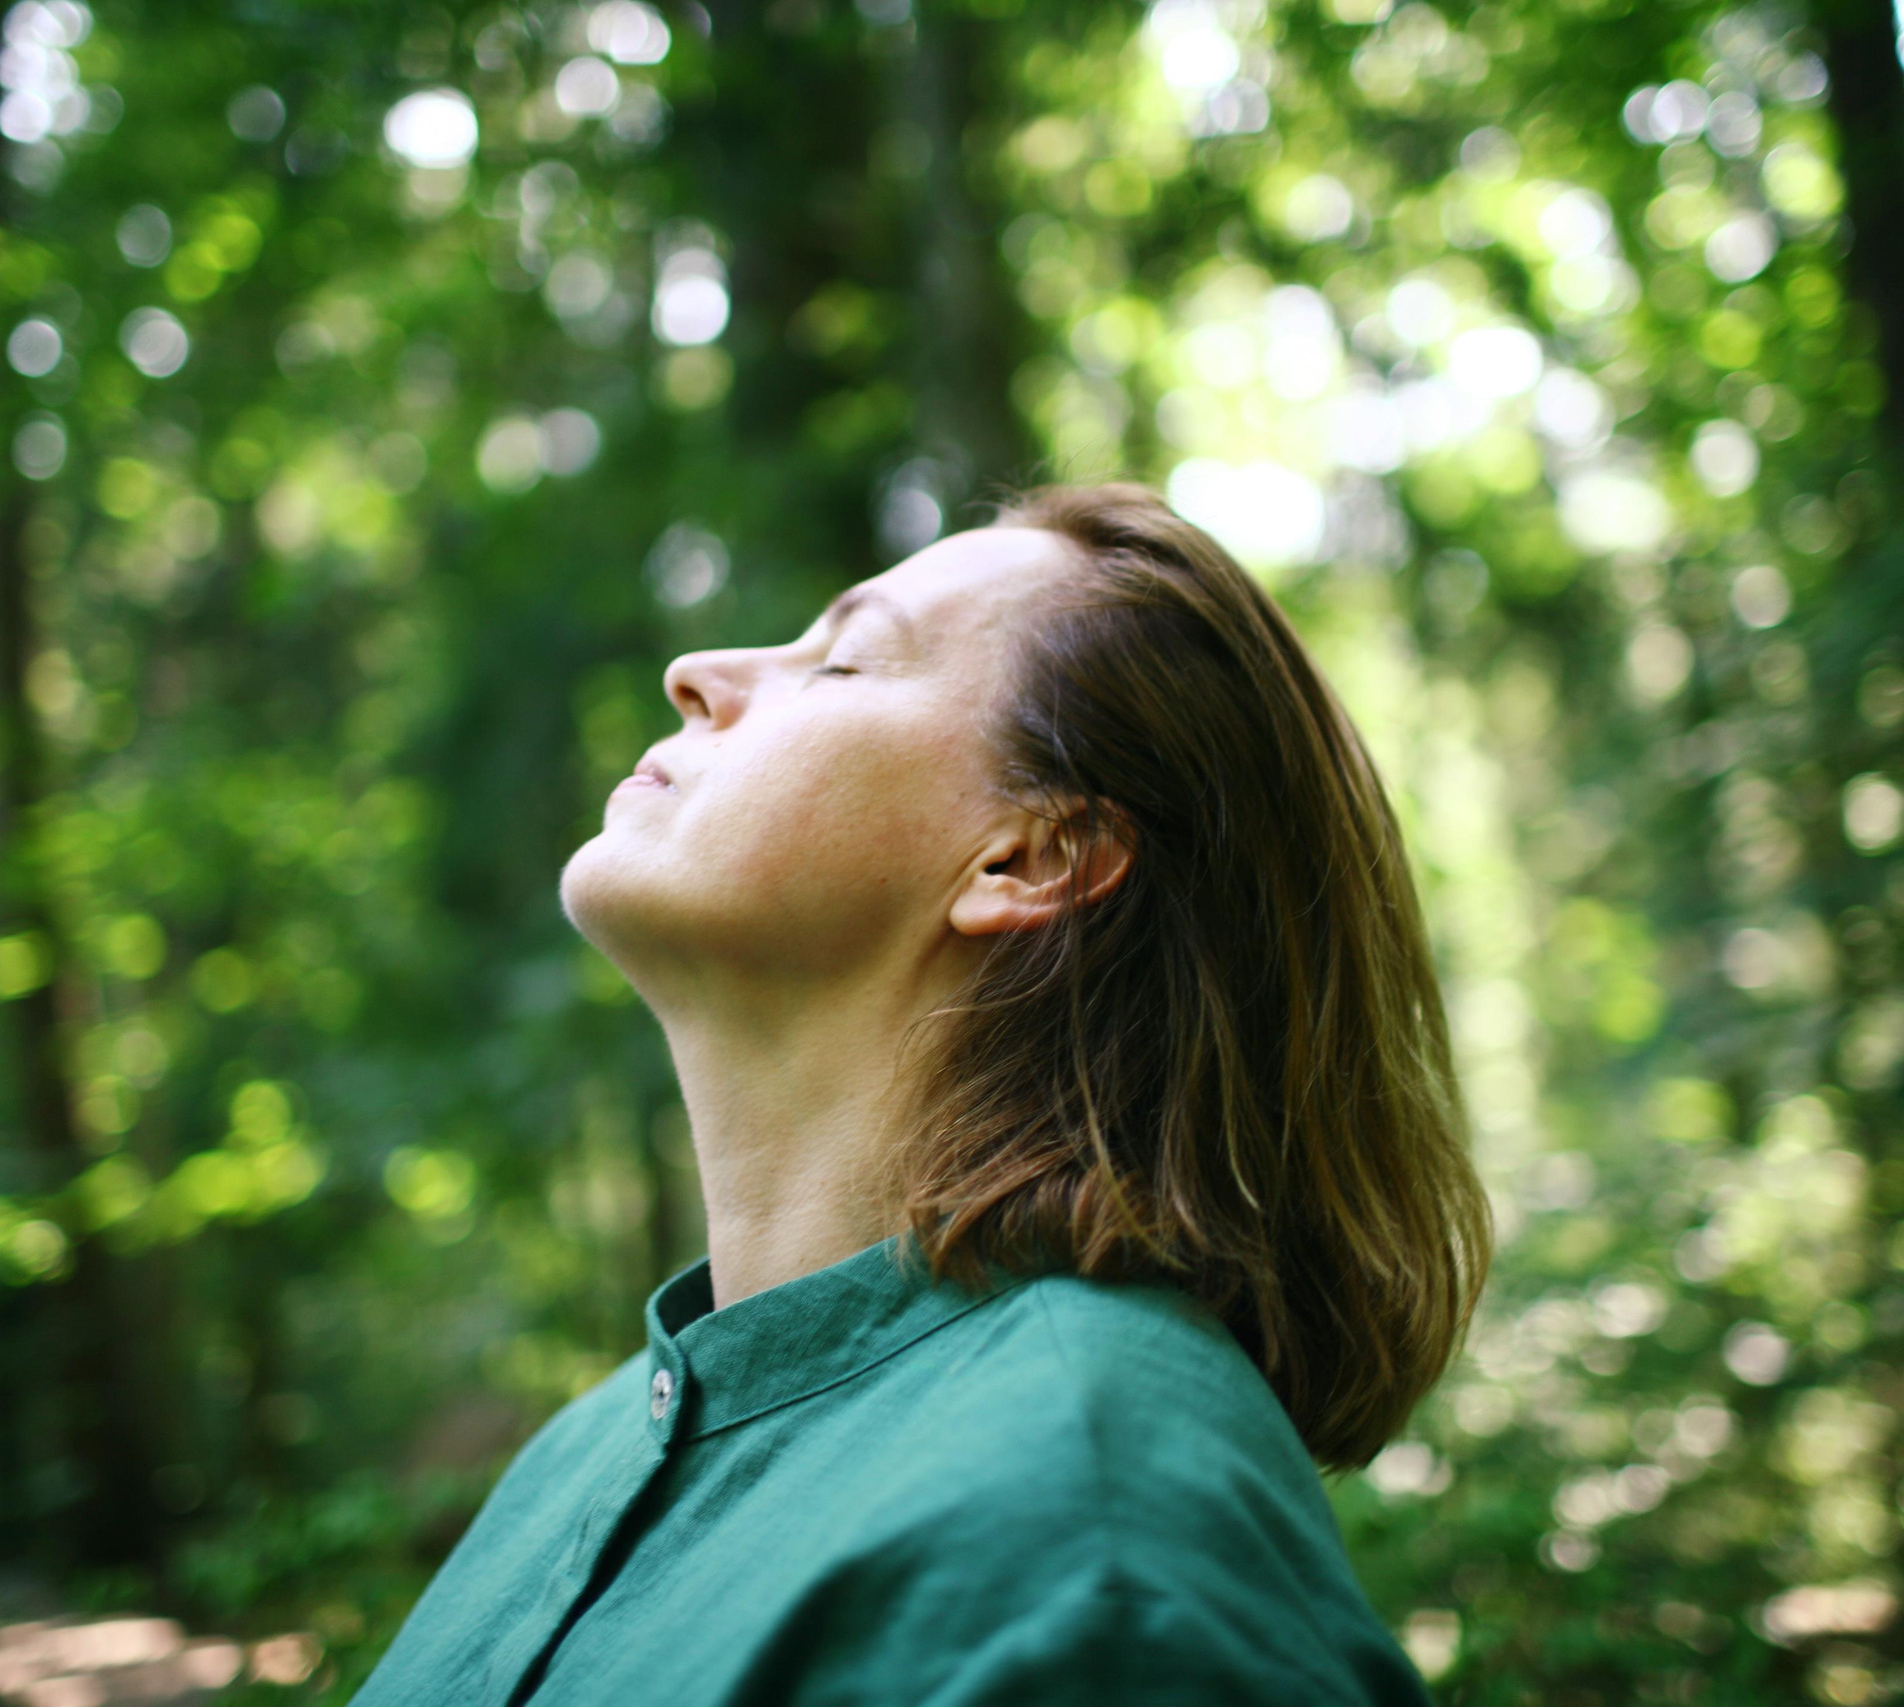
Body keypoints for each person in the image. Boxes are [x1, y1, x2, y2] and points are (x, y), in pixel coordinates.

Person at [352, 483, 1490, 1705]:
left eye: (841, 661)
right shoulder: (581, 1455)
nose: (694, 670)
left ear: (1029, 857)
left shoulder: (1092, 1521)